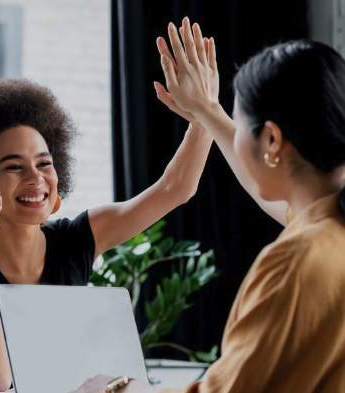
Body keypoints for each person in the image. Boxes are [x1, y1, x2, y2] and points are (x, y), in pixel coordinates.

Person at [72, 17, 345, 393]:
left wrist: (117, 389)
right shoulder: (331, 229)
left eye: (238, 122)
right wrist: (208, 110)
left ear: (270, 140)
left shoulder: (297, 261)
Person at [0, 77, 216, 391]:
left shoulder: (77, 237)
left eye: (44, 163)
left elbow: (175, 189)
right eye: (14, 167)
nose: (36, 178)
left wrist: (204, 114)